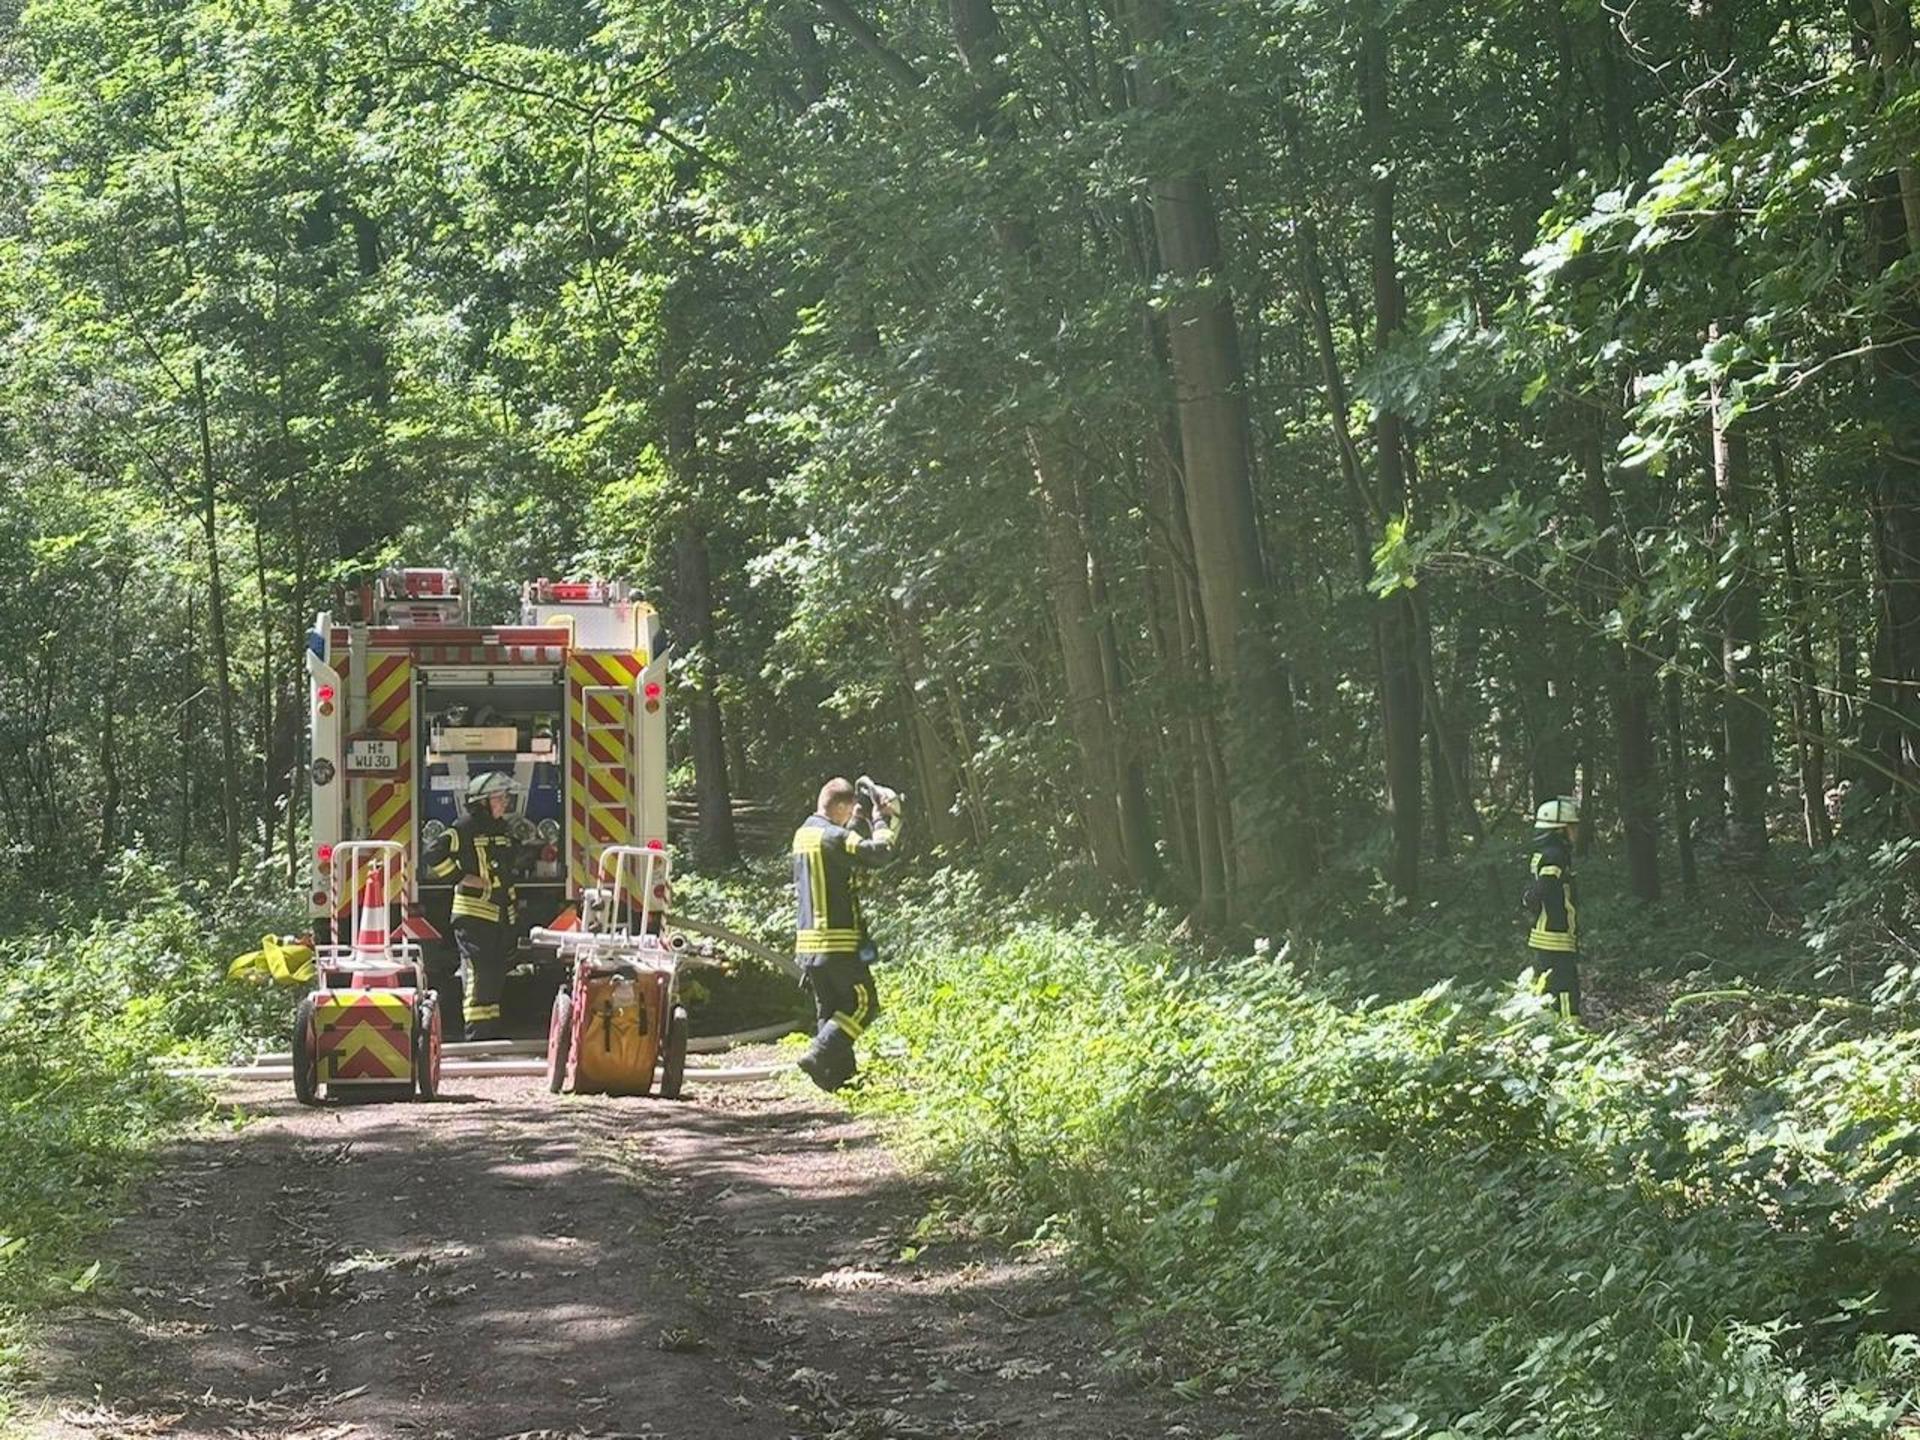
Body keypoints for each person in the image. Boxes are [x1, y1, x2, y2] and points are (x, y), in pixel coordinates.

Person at [792, 776, 902, 1092]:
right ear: (840, 807)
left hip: (809, 947)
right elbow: (879, 852)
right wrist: (881, 821)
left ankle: (838, 1079)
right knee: (863, 1004)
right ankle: (819, 1052)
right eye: (848, 810)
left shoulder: (804, 835)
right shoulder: (835, 838)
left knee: (832, 1009)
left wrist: (857, 815)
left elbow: (841, 841)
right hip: (837, 942)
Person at [424, 770, 522, 1040]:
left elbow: (505, 870)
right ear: (482, 802)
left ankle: (489, 1031)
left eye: (504, 797)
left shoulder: (501, 829)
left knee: (494, 973)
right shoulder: (463, 828)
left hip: (498, 915)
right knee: (478, 974)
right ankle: (476, 1034)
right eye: (498, 798)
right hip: (473, 916)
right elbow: (432, 853)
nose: (504, 803)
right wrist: (460, 877)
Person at [1526, 796, 1582, 1019]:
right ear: (1560, 830)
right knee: (1566, 985)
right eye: (1572, 827)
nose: (1576, 832)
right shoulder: (1555, 856)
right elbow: (1545, 888)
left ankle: (1548, 1028)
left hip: (1545, 932)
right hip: (1555, 934)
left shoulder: (1546, 853)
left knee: (1547, 985)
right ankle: (1570, 1029)